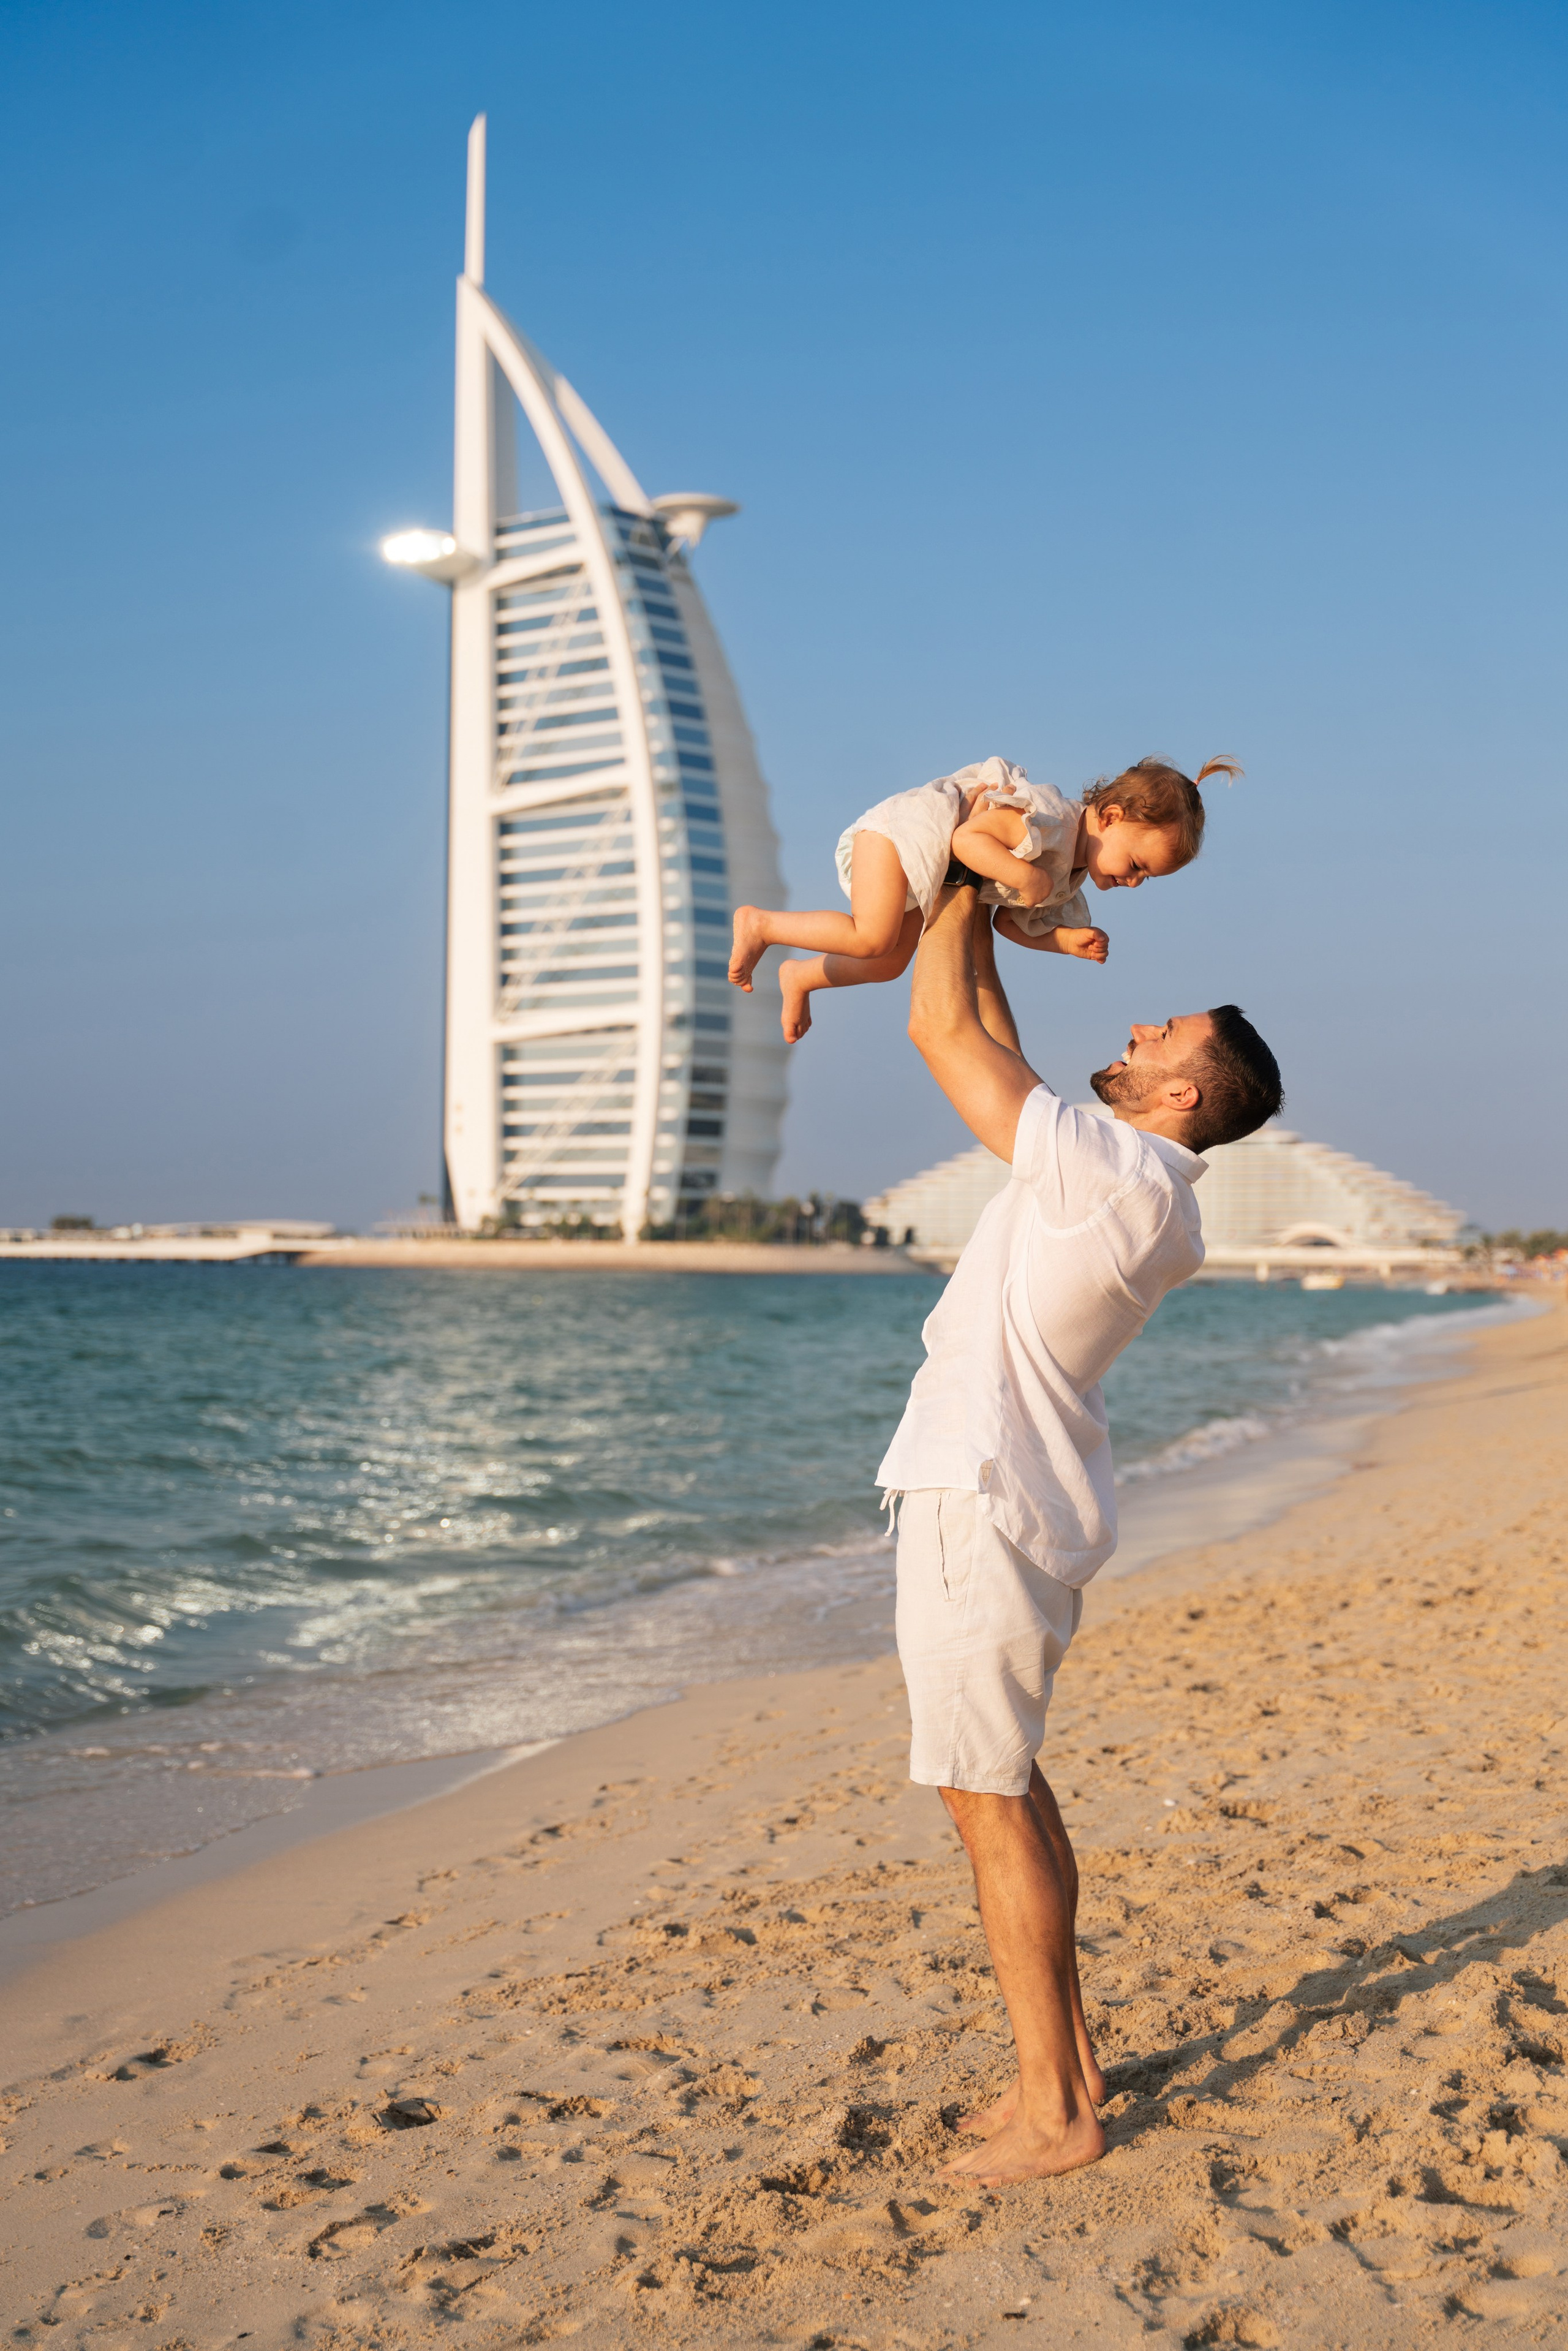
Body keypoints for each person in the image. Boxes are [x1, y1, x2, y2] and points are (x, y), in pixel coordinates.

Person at [880, 886, 1283, 2186]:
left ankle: (1054, 2107)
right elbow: (994, 1036)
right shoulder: (1137, 1183)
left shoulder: (1105, 1171)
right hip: (1024, 1508)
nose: (1137, 1023)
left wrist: (944, 878)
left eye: (1160, 1031)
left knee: (986, 1799)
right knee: (1012, 1785)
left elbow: (941, 1031)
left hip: (979, 1496)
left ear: (1181, 1095)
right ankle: (1067, 2064)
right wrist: (991, 918)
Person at [728, 752, 1240, 1042]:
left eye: (1145, 879)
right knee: (873, 936)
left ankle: (801, 976)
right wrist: (1026, 874)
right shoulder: (1048, 820)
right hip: (902, 835)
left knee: (888, 963)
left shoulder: (1071, 874)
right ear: (1109, 817)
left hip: (928, 874)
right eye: (1136, 866)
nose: (1133, 883)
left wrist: (1063, 940)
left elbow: (1007, 924)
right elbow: (966, 840)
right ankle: (761, 925)